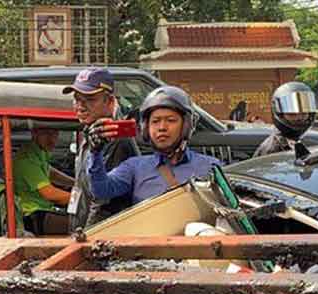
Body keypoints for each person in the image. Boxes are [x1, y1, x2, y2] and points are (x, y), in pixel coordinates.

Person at [87, 86, 220, 207]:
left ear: (186, 125)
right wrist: (95, 152)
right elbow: (101, 191)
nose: (162, 127)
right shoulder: (134, 167)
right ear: (146, 128)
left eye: (171, 120)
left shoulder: (210, 167)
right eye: (155, 121)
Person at [63, 67, 139, 230]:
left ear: (109, 102)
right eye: (77, 99)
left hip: (103, 234)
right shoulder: (89, 133)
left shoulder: (115, 140)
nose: (80, 106)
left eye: (89, 100)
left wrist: (87, 235)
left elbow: (102, 204)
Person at [13, 126, 73, 235]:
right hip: (31, 216)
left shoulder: (39, 150)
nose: (52, 139)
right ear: (34, 133)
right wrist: (80, 198)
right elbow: (50, 194)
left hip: (44, 209)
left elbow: (50, 172)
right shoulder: (27, 158)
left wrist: (76, 183)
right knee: (86, 224)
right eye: (46, 133)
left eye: (55, 133)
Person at [254, 82, 318, 157]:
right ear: (280, 115)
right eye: (292, 114)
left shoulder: (303, 142)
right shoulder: (271, 150)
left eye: (304, 113)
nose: (299, 118)